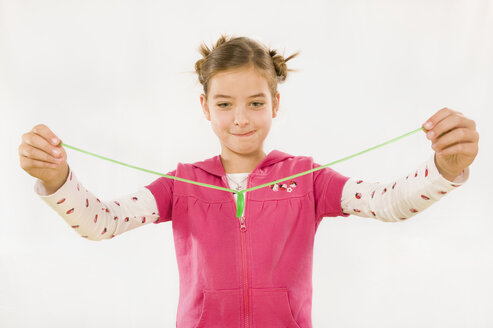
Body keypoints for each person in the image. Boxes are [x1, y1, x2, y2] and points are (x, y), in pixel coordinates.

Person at [19, 34, 479, 328]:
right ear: (205, 107)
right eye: (224, 104)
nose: (240, 119)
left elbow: (388, 202)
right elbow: (102, 221)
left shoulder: (305, 177)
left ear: (275, 104)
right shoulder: (183, 184)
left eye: (255, 103)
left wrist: (445, 169)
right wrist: (58, 180)